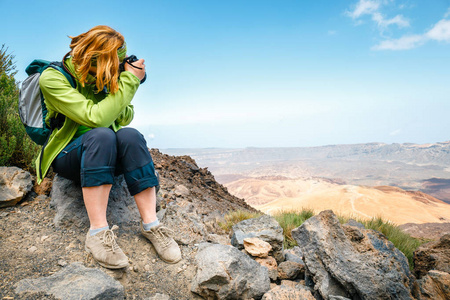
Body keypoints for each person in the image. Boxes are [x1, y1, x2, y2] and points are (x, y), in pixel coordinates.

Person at [36, 25, 181, 269]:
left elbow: (124, 118)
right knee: (101, 135)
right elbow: (96, 119)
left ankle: (152, 225)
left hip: (106, 156)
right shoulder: (52, 78)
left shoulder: (102, 77)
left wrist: (114, 82)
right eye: (115, 63)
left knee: (131, 136)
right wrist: (129, 82)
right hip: (69, 155)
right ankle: (97, 233)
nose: (119, 67)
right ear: (97, 60)